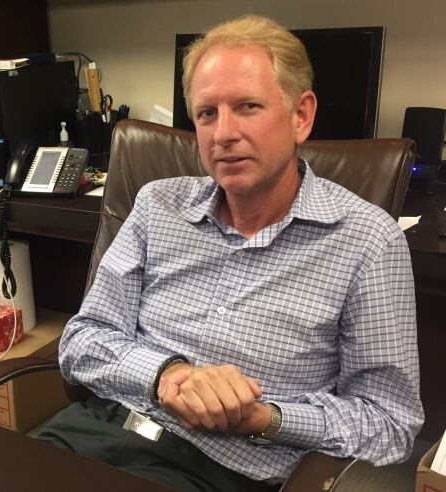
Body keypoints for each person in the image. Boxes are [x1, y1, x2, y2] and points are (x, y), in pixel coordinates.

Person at [38, 14, 424, 492]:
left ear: (301, 115)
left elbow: (389, 424)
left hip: (223, 473)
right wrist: (167, 376)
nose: (223, 134)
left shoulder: (368, 242)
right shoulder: (158, 205)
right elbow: (81, 341)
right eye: (207, 114)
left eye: (247, 107)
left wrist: (264, 418)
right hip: (98, 430)